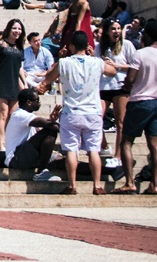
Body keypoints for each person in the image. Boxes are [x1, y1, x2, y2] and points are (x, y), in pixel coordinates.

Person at [39, 30, 117, 195]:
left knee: (71, 150)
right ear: (87, 46)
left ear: (72, 46)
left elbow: (48, 78)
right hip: (93, 112)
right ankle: (97, 185)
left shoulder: (64, 63)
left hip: (71, 112)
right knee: (93, 150)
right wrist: (95, 55)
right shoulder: (96, 62)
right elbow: (113, 71)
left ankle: (72, 185)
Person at [114, 21, 157, 194]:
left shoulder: (140, 54)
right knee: (154, 144)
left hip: (140, 101)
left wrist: (127, 87)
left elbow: (130, 80)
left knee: (126, 142)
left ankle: (129, 182)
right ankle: (154, 185)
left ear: (147, 35)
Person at [96, 19, 136, 170]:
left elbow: (135, 65)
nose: (117, 32)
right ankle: (104, 146)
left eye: (119, 29)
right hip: (103, 86)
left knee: (120, 122)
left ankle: (118, 156)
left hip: (121, 85)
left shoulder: (127, 45)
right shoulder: (99, 47)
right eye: (113, 29)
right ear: (107, 31)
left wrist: (117, 66)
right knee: (96, 117)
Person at [0, 18, 27, 151]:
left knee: (12, 115)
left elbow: (19, 67)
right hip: (1, 81)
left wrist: (24, 83)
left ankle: (9, 142)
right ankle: (0, 145)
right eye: (15, 28)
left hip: (14, 82)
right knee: (2, 114)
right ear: (9, 29)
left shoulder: (20, 47)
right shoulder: (0, 44)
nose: (17, 31)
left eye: (19, 29)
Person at [4, 88, 60, 178]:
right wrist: (71, 132)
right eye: (37, 100)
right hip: (16, 158)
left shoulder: (27, 118)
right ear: (29, 102)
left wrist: (52, 120)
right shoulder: (20, 115)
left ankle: (90, 172)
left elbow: (40, 134)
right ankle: (41, 173)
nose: (39, 103)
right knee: (50, 132)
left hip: (27, 155)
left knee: (64, 161)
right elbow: (45, 125)